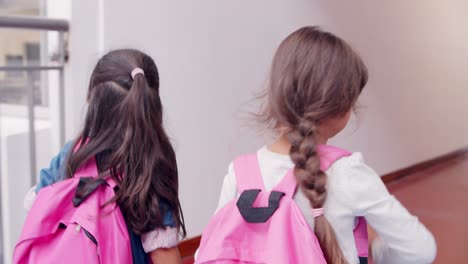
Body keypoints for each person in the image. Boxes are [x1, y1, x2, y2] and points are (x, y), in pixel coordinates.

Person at [211, 27, 436, 264]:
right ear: (342, 108)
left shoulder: (240, 172)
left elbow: (212, 249)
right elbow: (419, 249)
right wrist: (377, 253)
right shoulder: (348, 172)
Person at [24, 49, 185, 264]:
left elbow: (34, 204)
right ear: (151, 105)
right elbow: (164, 256)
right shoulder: (150, 166)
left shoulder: (72, 153)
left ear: (91, 100)